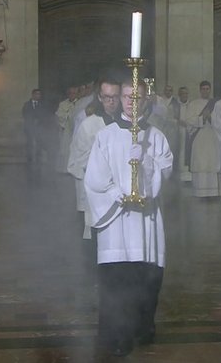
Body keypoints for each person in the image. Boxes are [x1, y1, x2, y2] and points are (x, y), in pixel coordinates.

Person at [84, 78, 173, 358]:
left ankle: (141, 329)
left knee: (145, 279)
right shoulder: (106, 135)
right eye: (126, 97)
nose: (132, 102)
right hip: (117, 222)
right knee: (116, 281)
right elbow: (95, 178)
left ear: (146, 100)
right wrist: (116, 193)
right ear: (119, 99)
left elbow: (166, 172)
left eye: (138, 98)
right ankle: (115, 336)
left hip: (145, 221)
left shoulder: (156, 136)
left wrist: (145, 161)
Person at [68, 77, 123, 240]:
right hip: (96, 192)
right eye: (107, 97)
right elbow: (76, 162)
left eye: (115, 97)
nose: (111, 102)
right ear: (99, 97)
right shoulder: (89, 125)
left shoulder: (126, 124)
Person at [184, 81, 218, 195]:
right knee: (200, 162)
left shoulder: (217, 104)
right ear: (200, 90)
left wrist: (210, 117)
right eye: (203, 89)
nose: (205, 91)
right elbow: (188, 120)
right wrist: (202, 118)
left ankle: (213, 192)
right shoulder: (193, 104)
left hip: (212, 136)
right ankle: (199, 192)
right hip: (199, 137)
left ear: (210, 90)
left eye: (207, 89)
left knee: (212, 162)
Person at [21, 88, 49, 165]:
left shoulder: (42, 105)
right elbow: (25, 115)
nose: (38, 96)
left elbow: (44, 115)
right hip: (29, 128)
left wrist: (40, 121)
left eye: (39, 94)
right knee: (30, 143)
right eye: (36, 94)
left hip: (40, 128)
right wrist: (32, 121)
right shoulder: (27, 105)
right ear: (33, 95)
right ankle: (30, 159)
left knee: (39, 143)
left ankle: (38, 159)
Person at [55, 85, 79, 173]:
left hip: (76, 131)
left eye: (74, 93)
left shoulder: (80, 103)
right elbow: (59, 115)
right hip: (65, 130)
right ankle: (65, 169)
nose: (72, 95)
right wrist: (68, 117)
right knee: (64, 150)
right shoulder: (63, 104)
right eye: (70, 93)